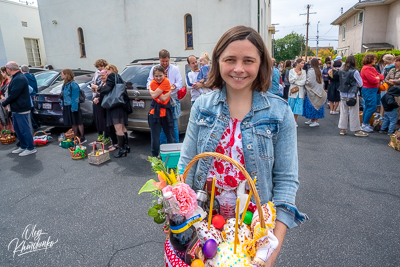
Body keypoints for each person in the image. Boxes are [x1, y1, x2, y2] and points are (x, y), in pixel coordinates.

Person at [178, 26, 308, 266]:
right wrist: (179, 225)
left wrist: (269, 255)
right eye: (230, 60)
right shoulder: (202, 107)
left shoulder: (280, 112)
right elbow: (186, 167)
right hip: (202, 227)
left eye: (248, 60)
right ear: (218, 62)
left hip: (252, 236)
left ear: (261, 64)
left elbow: (286, 184)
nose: (238, 69)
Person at [0, 61, 36, 156]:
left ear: (9, 69)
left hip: (22, 108)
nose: (5, 71)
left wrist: (5, 103)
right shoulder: (16, 77)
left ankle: (30, 147)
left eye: (6, 69)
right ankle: (23, 146)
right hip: (16, 108)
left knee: (24, 129)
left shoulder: (19, 78)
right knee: (18, 129)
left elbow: (14, 94)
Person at [147, 49, 182, 143]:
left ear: (169, 59)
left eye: (166, 61)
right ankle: (163, 150)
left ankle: (175, 148)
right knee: (162, 126)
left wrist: (174, 86)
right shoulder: (155, 69)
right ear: (159, 59)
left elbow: (179, 82)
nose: (165, 63)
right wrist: (151, 89)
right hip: (159, 101)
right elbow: (149, 81)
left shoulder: (174, 69)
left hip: (172, 99)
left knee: (173, 125)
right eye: (163, 61)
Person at [97, 65, 130, 158]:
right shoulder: (119, 77)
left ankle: (122, 149)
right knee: (123, 128)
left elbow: (107, 88)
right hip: (121, 105)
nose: (106, 73)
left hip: (115, 105)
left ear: (111, 70)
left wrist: (98, 88)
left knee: (118, 129)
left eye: (106, 71)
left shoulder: (112, 76)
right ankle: (126, 146)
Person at [338, 55, 368, 137]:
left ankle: (342, 129)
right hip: (352, 94)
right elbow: (361, 83)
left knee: (343, 112)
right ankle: (356, 130)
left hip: (343, 93)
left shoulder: (341, 70)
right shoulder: (355, 71)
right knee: (354, 112)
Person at [148, 65, 174, 157]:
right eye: (156, 76)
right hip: (154, 113)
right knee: (155, 137)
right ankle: (154, 156)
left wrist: (151, 91)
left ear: (164, 74)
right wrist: (170, 90)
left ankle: (171, 155)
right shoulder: (153, 83)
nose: (158, 78)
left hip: (166, 113)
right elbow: (162, 97)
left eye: (160, 75)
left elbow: (160, 98)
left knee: (170, 136)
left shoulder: (166, 81)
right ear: (153, 76)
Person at [91, 59, 115, 146]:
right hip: (96, 97)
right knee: (98, 118)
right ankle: (100, 134)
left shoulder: (108, 77)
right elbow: (94, 83)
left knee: (105, 120)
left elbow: (104, 89)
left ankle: (107, 137)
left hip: (103, 100)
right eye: (98, 67)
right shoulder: (96, 74)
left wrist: (98, 95)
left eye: (101, 66)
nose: (100, 68)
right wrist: (94, 94)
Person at [60, 69, 86, 143]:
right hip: (67, 105)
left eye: (62, 74)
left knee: (78, 122)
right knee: (73, 122)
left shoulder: (73, 84)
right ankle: (76, 136)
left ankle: (82, 137)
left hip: (73, 105)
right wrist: (62, 104)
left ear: (66, 74)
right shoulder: (64, 84)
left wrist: (74, 108)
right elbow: (63, 96)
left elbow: (75, 97)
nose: (61, 75)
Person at [360, 54, 384, 133]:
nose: (375, 60)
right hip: (369, 89)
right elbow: (373, 80)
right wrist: (377, 78)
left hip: (371, 89)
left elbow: (381, 76)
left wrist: (377, 78)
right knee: (372, 107)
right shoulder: (367, 69)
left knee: (368, 107)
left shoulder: (370, 68)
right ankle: (364, 124)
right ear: (370, 60)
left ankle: (364, 123)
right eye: (374, 59)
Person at [303, 58, 326, 127]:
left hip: (311, 90)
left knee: (311, 105)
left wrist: (305, 82)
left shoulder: (311, 71)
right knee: (316, 104)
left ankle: (315, 120)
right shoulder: (318, 70)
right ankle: (313, 120)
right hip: (318, 90)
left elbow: (309, 81)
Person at [20, 65, 40, 130]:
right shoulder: (32, 76)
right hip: (34, 94)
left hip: (29, 95)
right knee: (34, 111)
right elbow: (35, 85)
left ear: (21, 70)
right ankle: (37, 124)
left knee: (30, 113)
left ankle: (35, 125)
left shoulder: (23, 77)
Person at [288, 58, 307, 126]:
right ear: (297, 63)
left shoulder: (304, 72)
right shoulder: (291, 71)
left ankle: (295, 120)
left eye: (303, 63)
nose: (303, 64)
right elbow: (291, 81)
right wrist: (297, 75)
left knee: (297, 108)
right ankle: (290, 120)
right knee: (291, 106)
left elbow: (303, 82)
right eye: (301, 63)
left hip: (300, 92)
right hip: (293, 91)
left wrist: (296, 82)